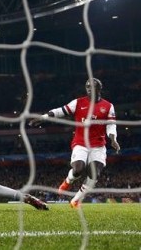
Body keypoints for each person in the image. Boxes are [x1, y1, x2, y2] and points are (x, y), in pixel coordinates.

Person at [29, 78, 120, 209]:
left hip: (98, 145)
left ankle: (76, 200)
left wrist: (113, 139)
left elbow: (111, 125)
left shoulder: (108, 106)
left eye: (93, 87)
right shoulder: (78, 103)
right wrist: (43, 117)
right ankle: (68, 181)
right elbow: (60, 111)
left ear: (99, 89)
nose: (90, 89)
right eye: (88, 87)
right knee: (78, 169)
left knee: (95, 174)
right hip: (81, 143)